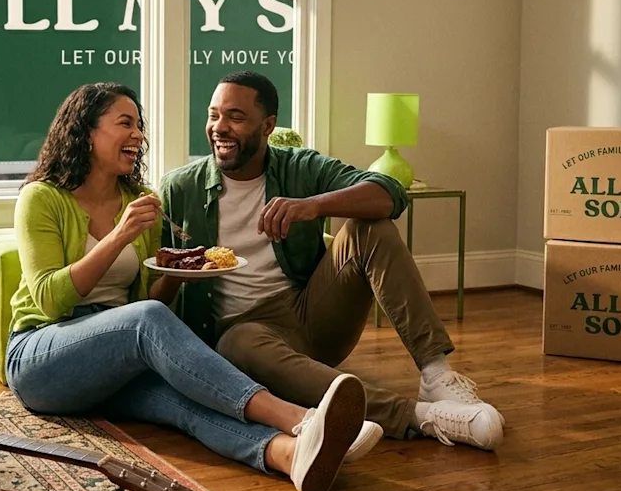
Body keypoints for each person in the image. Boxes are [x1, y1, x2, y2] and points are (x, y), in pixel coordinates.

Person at [4, 82, 369, 491]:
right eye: (125, 123)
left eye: (139, 126)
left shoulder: (138, 198)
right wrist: (119, 236)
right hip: (42, 356)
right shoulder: (41, 198)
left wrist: (179, 270)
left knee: (185, 400)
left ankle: (289, 455)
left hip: (116, 359)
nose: (138, 135)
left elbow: (147, 302)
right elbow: (52, 298)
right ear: (87, 131)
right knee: (145, 321)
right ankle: (301, 419)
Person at [158, 70, 505, 453]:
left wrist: (312, 206)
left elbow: (390, 193)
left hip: (311, 313)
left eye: (235, 117)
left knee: (370, 227)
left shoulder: (299, 168)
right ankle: (419, 416)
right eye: (213, 115)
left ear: (268, 125)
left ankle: (436, 373)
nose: (219, 128)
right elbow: (158, 286)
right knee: (237, 342)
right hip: (244, 336)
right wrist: (180, 271)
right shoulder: (180, 187)